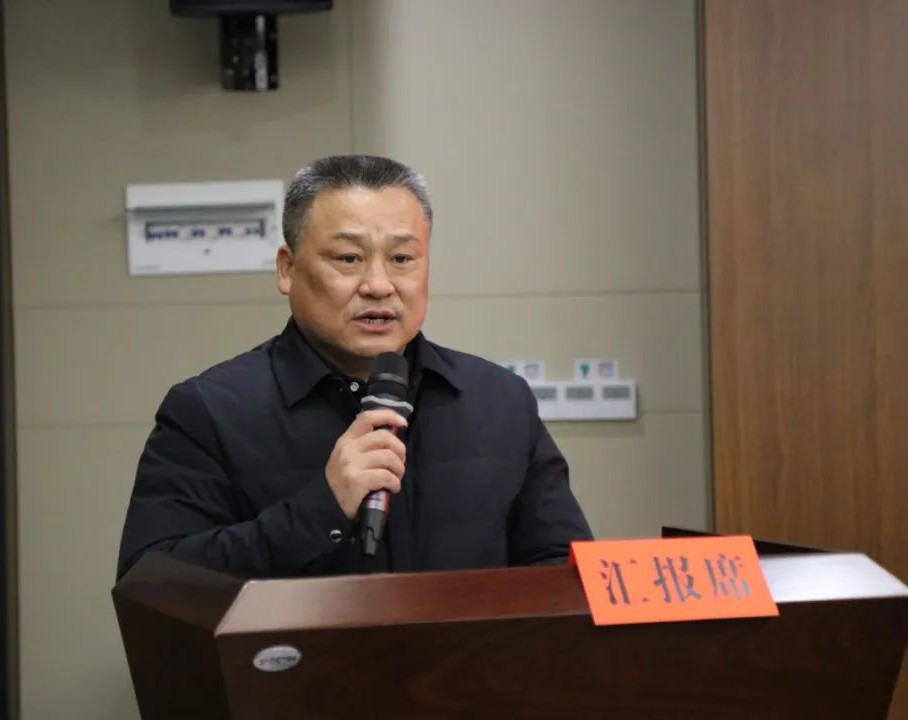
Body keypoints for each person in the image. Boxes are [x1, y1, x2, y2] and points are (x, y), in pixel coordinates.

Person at [116, 155, 592, 580]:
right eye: (349, 258)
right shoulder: (209, 411)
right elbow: (151, 585)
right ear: (287, 269)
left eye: (402, 258)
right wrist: (320, 510)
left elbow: (562, 571)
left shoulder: (500, 400)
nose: (379, 285)